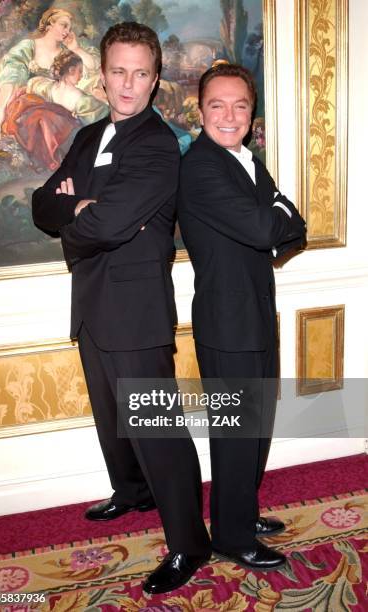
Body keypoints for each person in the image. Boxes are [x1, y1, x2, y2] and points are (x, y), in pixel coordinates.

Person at [32, 21, 211, 594]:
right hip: (90, 303)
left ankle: (189, 543)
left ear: (155, 80)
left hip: (135, 311)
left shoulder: (158, 145)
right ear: (103, 74)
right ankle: (132, 494)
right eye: (118, 71)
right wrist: (79, 208)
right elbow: (41, 205)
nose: (128, 84)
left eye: (140, 73)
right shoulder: (86, 137)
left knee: (157, 430)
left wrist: (80, 209)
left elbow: (106, 225)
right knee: (113, 421)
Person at [178, 62, 306, 571]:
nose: (229, 115)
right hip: (226, 321)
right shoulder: (203, 165)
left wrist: (276, 218)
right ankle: (230, 534)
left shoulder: (246, 159)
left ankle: (241, 510)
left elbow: (293, 226)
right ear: (201, 110)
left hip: (254, 312)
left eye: (240, 105)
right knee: (235, 432)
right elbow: (264, 227)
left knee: (256, 426)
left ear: (252, 113)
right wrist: (274, 216)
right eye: (217, 104)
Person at [0, 8, 100, 135]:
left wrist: (76, 49)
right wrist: (0, 113)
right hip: (37, 95)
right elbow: (12, 74)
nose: (67, 31)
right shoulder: (29, 46)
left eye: (69, 28)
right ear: (50, 24)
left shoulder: (70, 47)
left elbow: (93, 67)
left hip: (64, 96)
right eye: (63, 25)